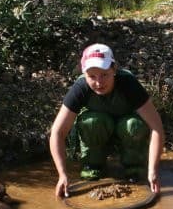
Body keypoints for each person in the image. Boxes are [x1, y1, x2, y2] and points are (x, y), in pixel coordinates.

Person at [49, 43, 165, 198]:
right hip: (97, 133)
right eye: (92, 76)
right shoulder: (80, 88)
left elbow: (157, 127)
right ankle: (93, 166)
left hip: (128, 133)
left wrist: (153, 171)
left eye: (104, 74)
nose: (98, 82)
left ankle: (134, 168)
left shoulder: (128, 83)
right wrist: (62, 175)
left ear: (114, 70)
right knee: (92, 122)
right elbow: (57, 132)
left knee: (133, 125)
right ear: (85, 74)